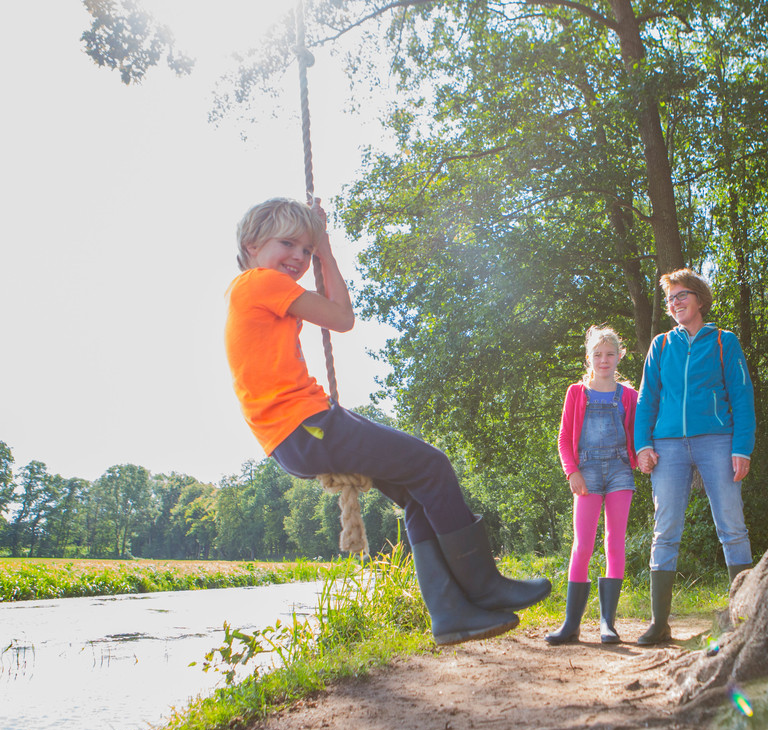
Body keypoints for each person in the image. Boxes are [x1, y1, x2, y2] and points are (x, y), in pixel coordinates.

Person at [225, 197, 550, 646]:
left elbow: (336, 318)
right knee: (432, 465)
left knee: (421, 490)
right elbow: (342, 318)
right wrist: (326, 250)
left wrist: (319, 247)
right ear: (251, 244)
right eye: (289, 244)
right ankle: (484, 585)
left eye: (305, 249)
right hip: (305, 425)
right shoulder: (258, 283)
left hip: (298, 433)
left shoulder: (253, 291)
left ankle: (451, 614)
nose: (299, 257)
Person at [633, 268, 756, 645]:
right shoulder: (661, 346)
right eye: (670, 299)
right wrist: (643, 445)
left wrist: (742, 447)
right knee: (665, 530)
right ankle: (659, 624)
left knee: (731, 527)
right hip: (667, 444)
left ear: (699, 298)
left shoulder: (723, 341)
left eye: (681, 295)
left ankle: (745, 618)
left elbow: (742, 395)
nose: (675, 303)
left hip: (717, 440)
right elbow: (646, 399)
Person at [547, 326, 638, 645]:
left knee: (614, 542)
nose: (604, 360)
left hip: (619, 473)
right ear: (589, 358)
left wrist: (642, 459)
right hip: (585, 473)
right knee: (582, 545)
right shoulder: (576, 393)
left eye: (610, 354)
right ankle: (571, 623)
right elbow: (563, 439)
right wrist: (571, 471)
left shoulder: (629, 395)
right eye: (598, 354)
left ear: (619, 357)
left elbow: (639, 435)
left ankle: (607, 623)